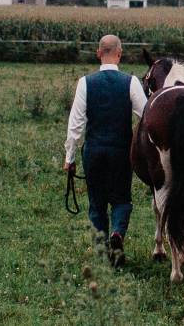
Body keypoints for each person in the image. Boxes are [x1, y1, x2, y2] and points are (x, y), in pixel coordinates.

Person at [63, 33, 148, 265]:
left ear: (98, 53)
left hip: (94, 151)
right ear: (119, 54)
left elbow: (76, 125)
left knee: (97, 202)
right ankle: (117, 233)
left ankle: (102, 252)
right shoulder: (131, 82)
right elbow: (147, 116)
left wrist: (70, 157)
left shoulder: (84, 83)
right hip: (121, 152)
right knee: (122, 199)